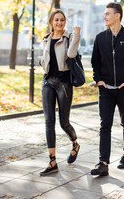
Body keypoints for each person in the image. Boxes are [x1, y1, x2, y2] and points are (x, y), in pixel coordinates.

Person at [90, 2, 124, 176]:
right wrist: (98, 80)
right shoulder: (100, 38)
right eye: (104, 14)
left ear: (118, 16)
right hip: (106, 89)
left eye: (108, 14)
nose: (104, 16)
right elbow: (95, 63)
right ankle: (103, 163)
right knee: (104, 124)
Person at [39, 9, 81, 176]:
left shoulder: (69, 37)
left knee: (64, 123)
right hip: (48, 82)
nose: (59, 23)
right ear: (51, 22)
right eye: (56, 20)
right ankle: (52, 161)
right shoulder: (46, 39)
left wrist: (76, 35)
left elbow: (71, 55)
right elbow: (45, 61)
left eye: (62, 20)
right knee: (49, 121)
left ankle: (75, 144)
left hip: (64, 83)